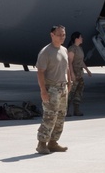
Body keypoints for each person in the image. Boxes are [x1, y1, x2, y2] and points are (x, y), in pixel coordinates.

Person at [35, 25, 73, 154]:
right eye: (59, 35)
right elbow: (40, 72)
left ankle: (53, 142)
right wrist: (43, 91)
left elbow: (66, 67)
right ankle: (42, 143)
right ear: (52, 35)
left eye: (64, 35)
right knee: (50, 116)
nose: (62, 37)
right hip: (52, 88)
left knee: (61, 116)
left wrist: (69, 81)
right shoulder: (46, 52)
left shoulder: (64, 50)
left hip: (63, 88)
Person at [66, 31, 91, 116]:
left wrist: (87, 70)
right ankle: (66, 110)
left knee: (79, 92)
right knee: (70, 92)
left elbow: (81, 62)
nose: (82, 38)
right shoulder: (72, 49)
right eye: (80, 37)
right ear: (76, 39)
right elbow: (69, 62)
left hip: (79, 74)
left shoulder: (79, 48)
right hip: (74, 73)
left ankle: (76, 110)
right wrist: (71, 74)